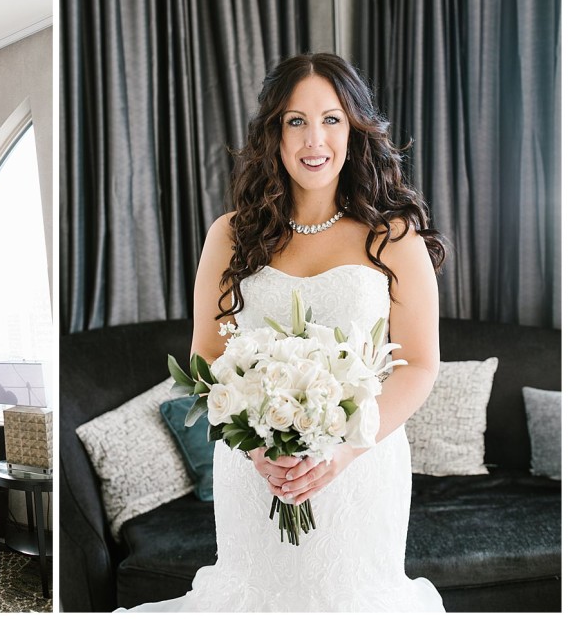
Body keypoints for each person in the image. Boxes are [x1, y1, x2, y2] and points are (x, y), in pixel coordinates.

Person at [127, 53, 448, 612]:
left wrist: (344, 450)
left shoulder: (394, 236)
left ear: (355, 129)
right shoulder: (230, 236)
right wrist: (257, 450)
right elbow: (206, 357)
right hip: (255, 474)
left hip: (361, 473)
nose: (313, 139)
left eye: (331, 119)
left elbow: (419, 364)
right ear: (274, 133)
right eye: (295, 121)